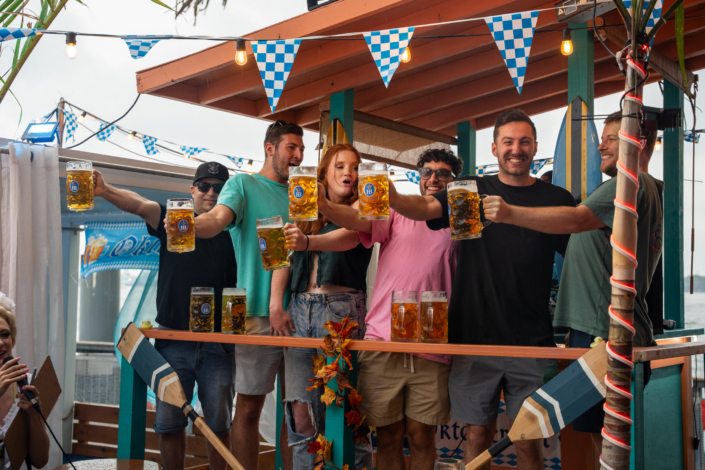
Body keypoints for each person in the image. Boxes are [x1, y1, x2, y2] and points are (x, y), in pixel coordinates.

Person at [387, 109, 576, 470]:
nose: (516, 149)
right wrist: (392, 197)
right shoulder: (469, 189)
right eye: (508, 142)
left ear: (535, 147)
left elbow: (580, 252)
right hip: (474, 337)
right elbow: (427, 207)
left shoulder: (558, 197)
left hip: (532, 340)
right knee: (477, 436)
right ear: (494, 148)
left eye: (523, 142)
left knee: (529, 441)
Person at [483, 112, 662, 468]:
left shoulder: (629, 183)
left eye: (611, 138)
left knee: (609, 445)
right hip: (603, 329)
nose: (601, 145)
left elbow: (576, 219)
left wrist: (509, 213)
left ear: (637, 143)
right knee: (606, 442)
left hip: (602, 331)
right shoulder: (648, 186)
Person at [192, 121, 355, 470]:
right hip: (255, 312)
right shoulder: (243, 184)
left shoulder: (306, 192)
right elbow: (217, 219)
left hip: (301, 312)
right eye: (290, 148)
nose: (297, 156)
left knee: (296, 411)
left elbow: (299, 252)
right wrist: (192, 224)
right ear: (270, 148)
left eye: (301, 149)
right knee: (249, 407)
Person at [316, 148, 461, 470]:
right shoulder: (397, 210)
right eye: (426, 171)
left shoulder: (461, 218)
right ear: (418, 177)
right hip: (384, 340)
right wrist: (325, 206)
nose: (434, 178)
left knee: (422, 437)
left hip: (434, 343)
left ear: (455, 180)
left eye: (443, 173)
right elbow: (357, 222)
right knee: (389, 436)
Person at [93, 162, 236, 470]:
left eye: (219, 187)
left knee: (219, 424)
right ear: (192, 190)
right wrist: (105, 190)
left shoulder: (233, 228)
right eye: (205, 186)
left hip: (218, 342)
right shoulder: (175, 220)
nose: (211, 192)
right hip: (172, 338)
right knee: (169, 423)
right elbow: (141, 204)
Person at [269, 143, 373, 470]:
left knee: (342, 413)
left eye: (354, 167)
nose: (349, 173)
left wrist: (310, 236)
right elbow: (280, 255)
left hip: (341, 311)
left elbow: (352, 235)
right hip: (300, 308)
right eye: (340, 166)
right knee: (301, 414)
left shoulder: (364, 206)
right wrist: (276, 303)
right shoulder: (303, 210)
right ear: (324, 173)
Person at [0, 293, 50, 470]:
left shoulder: (26, 383)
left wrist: (35, 416)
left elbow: (40, 461)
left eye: (5, 334)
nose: (1, 343)